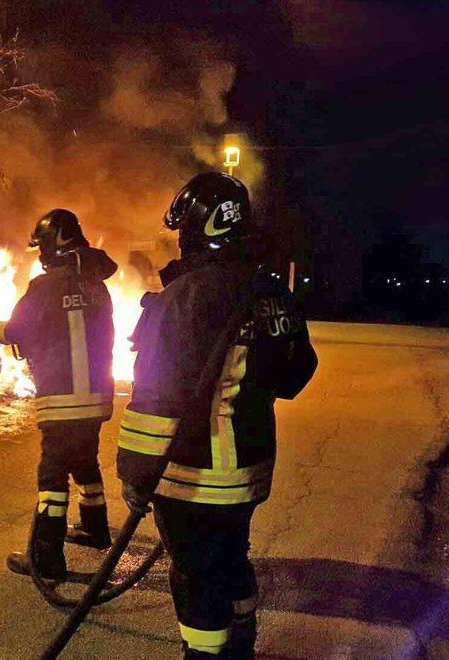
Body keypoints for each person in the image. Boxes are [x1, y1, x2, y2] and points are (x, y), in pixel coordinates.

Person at [116, 173, 318, 659]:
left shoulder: (183, 297)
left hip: (192, 478)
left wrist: (135, 476)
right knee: (232, 557)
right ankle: (242, 642)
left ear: (198, 227)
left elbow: (154, 399)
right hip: (248, 471)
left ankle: (207, 654)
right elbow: (297, 373)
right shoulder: (272, 292)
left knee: (196, 579)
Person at [0, 208, 117, 579]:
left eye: (41, 247)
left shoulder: (46, 287)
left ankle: (46, 557)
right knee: (85, 460)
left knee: (52, 474)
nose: (39, 255)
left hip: (61, 397)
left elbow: (18, 330)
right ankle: (95, 527)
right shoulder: (96, 285)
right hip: (97, 396)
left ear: (53, 246)